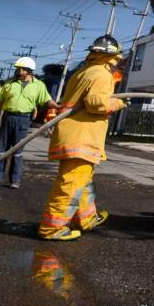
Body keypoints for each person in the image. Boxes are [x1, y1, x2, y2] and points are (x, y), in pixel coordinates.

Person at [38, 35, 126, 241]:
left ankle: (86, 219)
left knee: (83, 182)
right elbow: (97, 104)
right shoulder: (102, 74)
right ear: (112, 56)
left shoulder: (83, 72)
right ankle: (52, 228)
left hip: (73, 134)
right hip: (81, 136)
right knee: (71, 184)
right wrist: (118, 103)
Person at [0, 57, 56, 189]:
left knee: (18, 151)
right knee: (1, 150)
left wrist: (57, 106)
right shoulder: (10, 83)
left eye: (21, 69)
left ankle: (15, 181)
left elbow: (47, 100)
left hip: (24, 119)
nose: (18, 71)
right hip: (8, 117)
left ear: (29, 71)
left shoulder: (38, 85)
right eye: (18, 68)